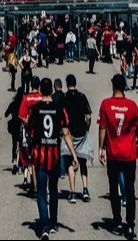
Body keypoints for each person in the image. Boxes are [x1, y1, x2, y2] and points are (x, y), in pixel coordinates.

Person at [27, 78, 78, 240]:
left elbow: (30, 131)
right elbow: (66, 132)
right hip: (54, 154)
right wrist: (74, 154)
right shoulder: (59, 108)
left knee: (42, 192)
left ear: (41, 90)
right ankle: (54, 222)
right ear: (52, 91)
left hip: (40, 155)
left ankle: (44, 226)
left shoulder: (35, 109)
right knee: (54, 189)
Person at [98, 73, 138, 239]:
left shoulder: (106, 104)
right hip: (129, 153)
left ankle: (117, 220)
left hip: (113, 153)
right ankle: (130, 225)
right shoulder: (131, 105)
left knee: (113, 188)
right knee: (130, 190)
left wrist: (100, 148)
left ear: (113, 86)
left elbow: (102, 127)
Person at [60, 74, 93, 204]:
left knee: (69, 162)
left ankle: (72, 192)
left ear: (67, 84)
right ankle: (85, 189)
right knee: (83, 162)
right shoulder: (82, 96)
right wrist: (86, 129)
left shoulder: (64, 98)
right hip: (81, 132)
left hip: (69, 133)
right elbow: (88, 116)